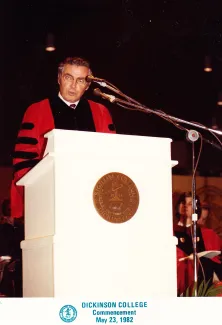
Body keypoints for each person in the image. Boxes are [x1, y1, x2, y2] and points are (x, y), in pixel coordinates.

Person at [11, 56, 116, 219]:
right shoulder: (37, 111)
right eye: (68, 77)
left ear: (88, 85)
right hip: (49, 202)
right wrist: (39, 198)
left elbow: (112, 157)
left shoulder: (100, 112)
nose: (73, 86)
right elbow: (24, 161)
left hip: (93, 203)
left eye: (80, 80)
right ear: (59, 78)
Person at [173, 191, 222, 296]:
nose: (186, 206)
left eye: (190, 203)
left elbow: (217, 267)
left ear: (197, 208)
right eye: (183, 202)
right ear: (177, 206)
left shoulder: (209, 235)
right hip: (178, 290)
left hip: (205, 291)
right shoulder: (169, 232)